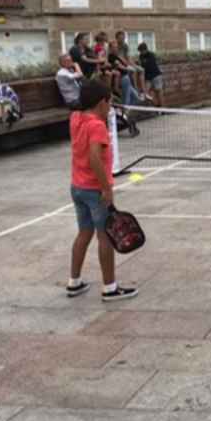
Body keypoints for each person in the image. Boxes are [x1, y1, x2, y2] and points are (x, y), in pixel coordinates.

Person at [67, 80, 137, 303]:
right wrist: (106, 189)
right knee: (105, 236)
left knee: (83, 233)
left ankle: (74, 282)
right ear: (101, 102)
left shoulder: (76, 118)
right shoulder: (97, 126)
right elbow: (94, 158)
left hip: (77, 187)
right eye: (110, 102)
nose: (111, 106)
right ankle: (110, 287)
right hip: (95, 189)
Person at [114, 30, 147, 98]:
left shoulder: (125, 46)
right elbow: (117, 58)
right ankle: (136, 90)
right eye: (121, 38)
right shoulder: (115, 46)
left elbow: (128, 58)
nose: (123, 39)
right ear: (117, 38)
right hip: (118, 65)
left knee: (141, 70)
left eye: (123, 38)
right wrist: (130, 65)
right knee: (133, 71)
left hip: (126, 63)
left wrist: (134, 64)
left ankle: (143, 91)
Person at [137, 43, 163, 108]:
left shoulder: (151, 55)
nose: (141, 52)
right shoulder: (141, 56)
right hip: (148, 77)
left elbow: (150, 66)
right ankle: (155, 105)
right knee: (147, 92)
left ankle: (161, 107)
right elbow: (141, 65)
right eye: (140, 51)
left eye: (141, 51)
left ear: (145, 50)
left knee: (158, 91)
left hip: (155, 75)